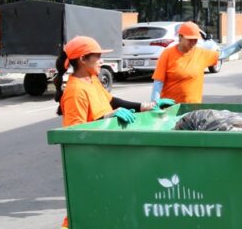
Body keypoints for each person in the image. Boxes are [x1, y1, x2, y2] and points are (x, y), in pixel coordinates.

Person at [55, 36, 175, 229]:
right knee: (82, 210)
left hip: (105, 156)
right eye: (98, 56)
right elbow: (74, 134)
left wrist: (146, 106)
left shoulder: (92, 80)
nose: (102, 61)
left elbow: (112, 101)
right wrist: (108, 117)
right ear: (83, 60)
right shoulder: (75, 92)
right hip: (88, 161)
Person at [151, 21, 242, 103]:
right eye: (190, 39)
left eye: (195, 40)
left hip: (193, 110)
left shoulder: (201, 54)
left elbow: (223, 53)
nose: (193, 42)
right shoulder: (167, 54)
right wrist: (154, 104)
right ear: (180, 37)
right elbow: (158, 82)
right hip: (170, 109)